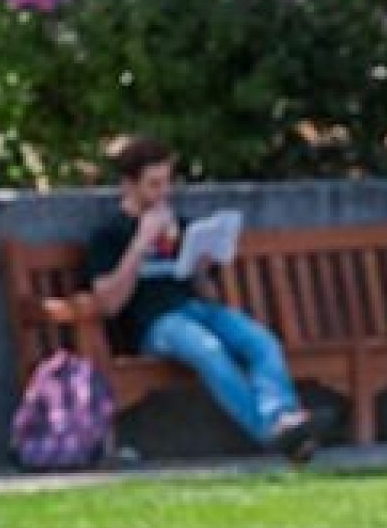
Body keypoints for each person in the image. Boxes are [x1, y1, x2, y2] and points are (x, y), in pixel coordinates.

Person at [80, 136, 321, 462]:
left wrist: (200, 266)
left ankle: (282, 418)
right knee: (208, 350)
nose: (162, 193)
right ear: (128, 185)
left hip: (198, 310)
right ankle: (276, 432)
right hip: (155, 325)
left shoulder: (180, 227)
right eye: (153, 185)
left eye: (166, 183)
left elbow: (208, 294)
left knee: (260, 342)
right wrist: (140, 244)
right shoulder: (109, 235)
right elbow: (109, 304)